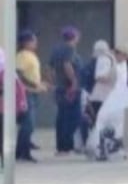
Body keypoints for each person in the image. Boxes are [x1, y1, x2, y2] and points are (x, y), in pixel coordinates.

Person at [87, 44, 128, 162]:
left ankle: (110, 149)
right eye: (125, 56)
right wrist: (112, 79)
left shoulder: (119, 63)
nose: (126, 59)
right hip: (103, 97)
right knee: (101, 125)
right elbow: (99, 77)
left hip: (114, 98)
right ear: (120, 53)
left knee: (113, 126)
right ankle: (98, 150)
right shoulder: (106, 59)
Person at [49, 26, 82, 156]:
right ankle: (68, 147)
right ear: (74, 37)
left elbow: (50, 68)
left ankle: (61, 147)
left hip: (60, 88)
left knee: (61, 117)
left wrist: (54, 82)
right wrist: (73, 82)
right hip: (69, 88)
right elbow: (67, 65)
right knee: (72, 117)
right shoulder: (70, 49)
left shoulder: (55, 50)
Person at [15, 30, 45, 163]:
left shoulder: (31, 55)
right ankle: (23, 152)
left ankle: (21, 151)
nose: (36, 43)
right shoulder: (23, 56)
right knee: (28, 124)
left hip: (32, 92)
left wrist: (40, 84)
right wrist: (34, 84)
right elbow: (18, 74)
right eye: (33, 40)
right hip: (26, 92)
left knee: (28, 124)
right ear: (26, 42)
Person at [89, 40, 117, 124]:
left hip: (100, 95)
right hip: (107, 95)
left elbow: (100, 76)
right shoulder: (110, 58)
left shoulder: (104, 58)